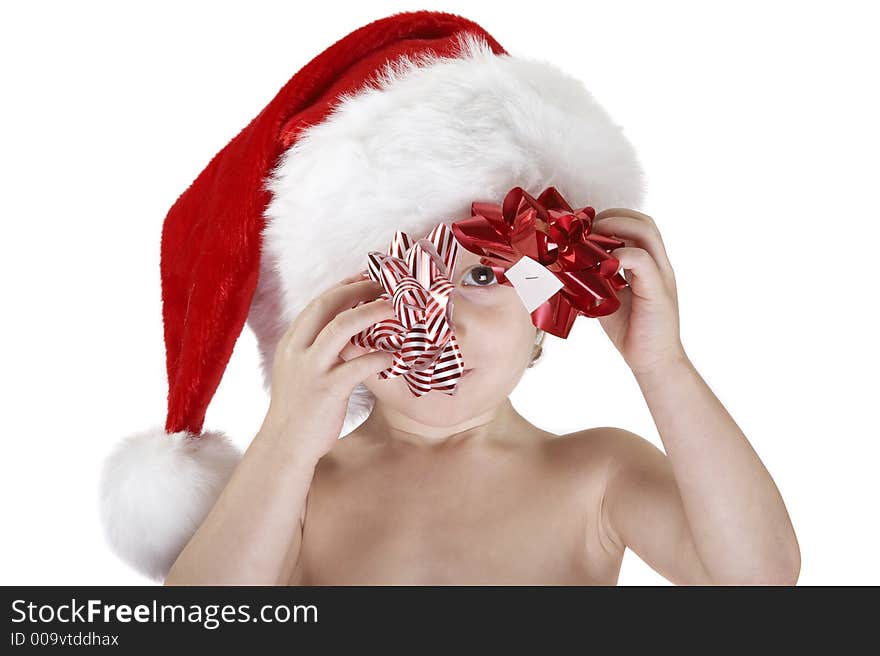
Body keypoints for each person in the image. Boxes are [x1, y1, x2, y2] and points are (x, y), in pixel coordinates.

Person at [163, 218, 800, 585]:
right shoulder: (294, 493)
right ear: (329, 318)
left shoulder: (596, 474)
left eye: (482, 275)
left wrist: (663, 366)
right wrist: (286, 435)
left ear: (544, 307)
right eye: (397, 279)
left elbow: (758, 578)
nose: (435, 319)